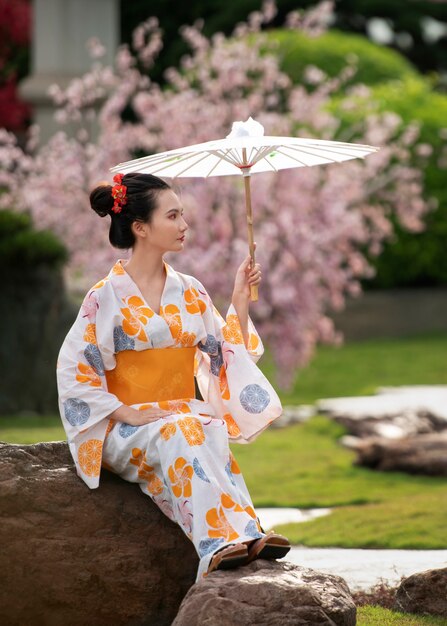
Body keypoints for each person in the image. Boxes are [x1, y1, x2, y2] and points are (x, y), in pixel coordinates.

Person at [56, 172, 290, 581]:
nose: (185, 226)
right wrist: (124, 413)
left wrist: (239, 299)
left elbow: (224, 354)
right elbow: (75, 374)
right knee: (181, 430)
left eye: (183, 215)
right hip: (125, 425)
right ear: (140, 227)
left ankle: (247, 534)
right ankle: (217, 543)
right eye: (173, 216)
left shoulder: (191, 290)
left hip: (179, 415)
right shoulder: (103, 297)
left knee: (202, 428)